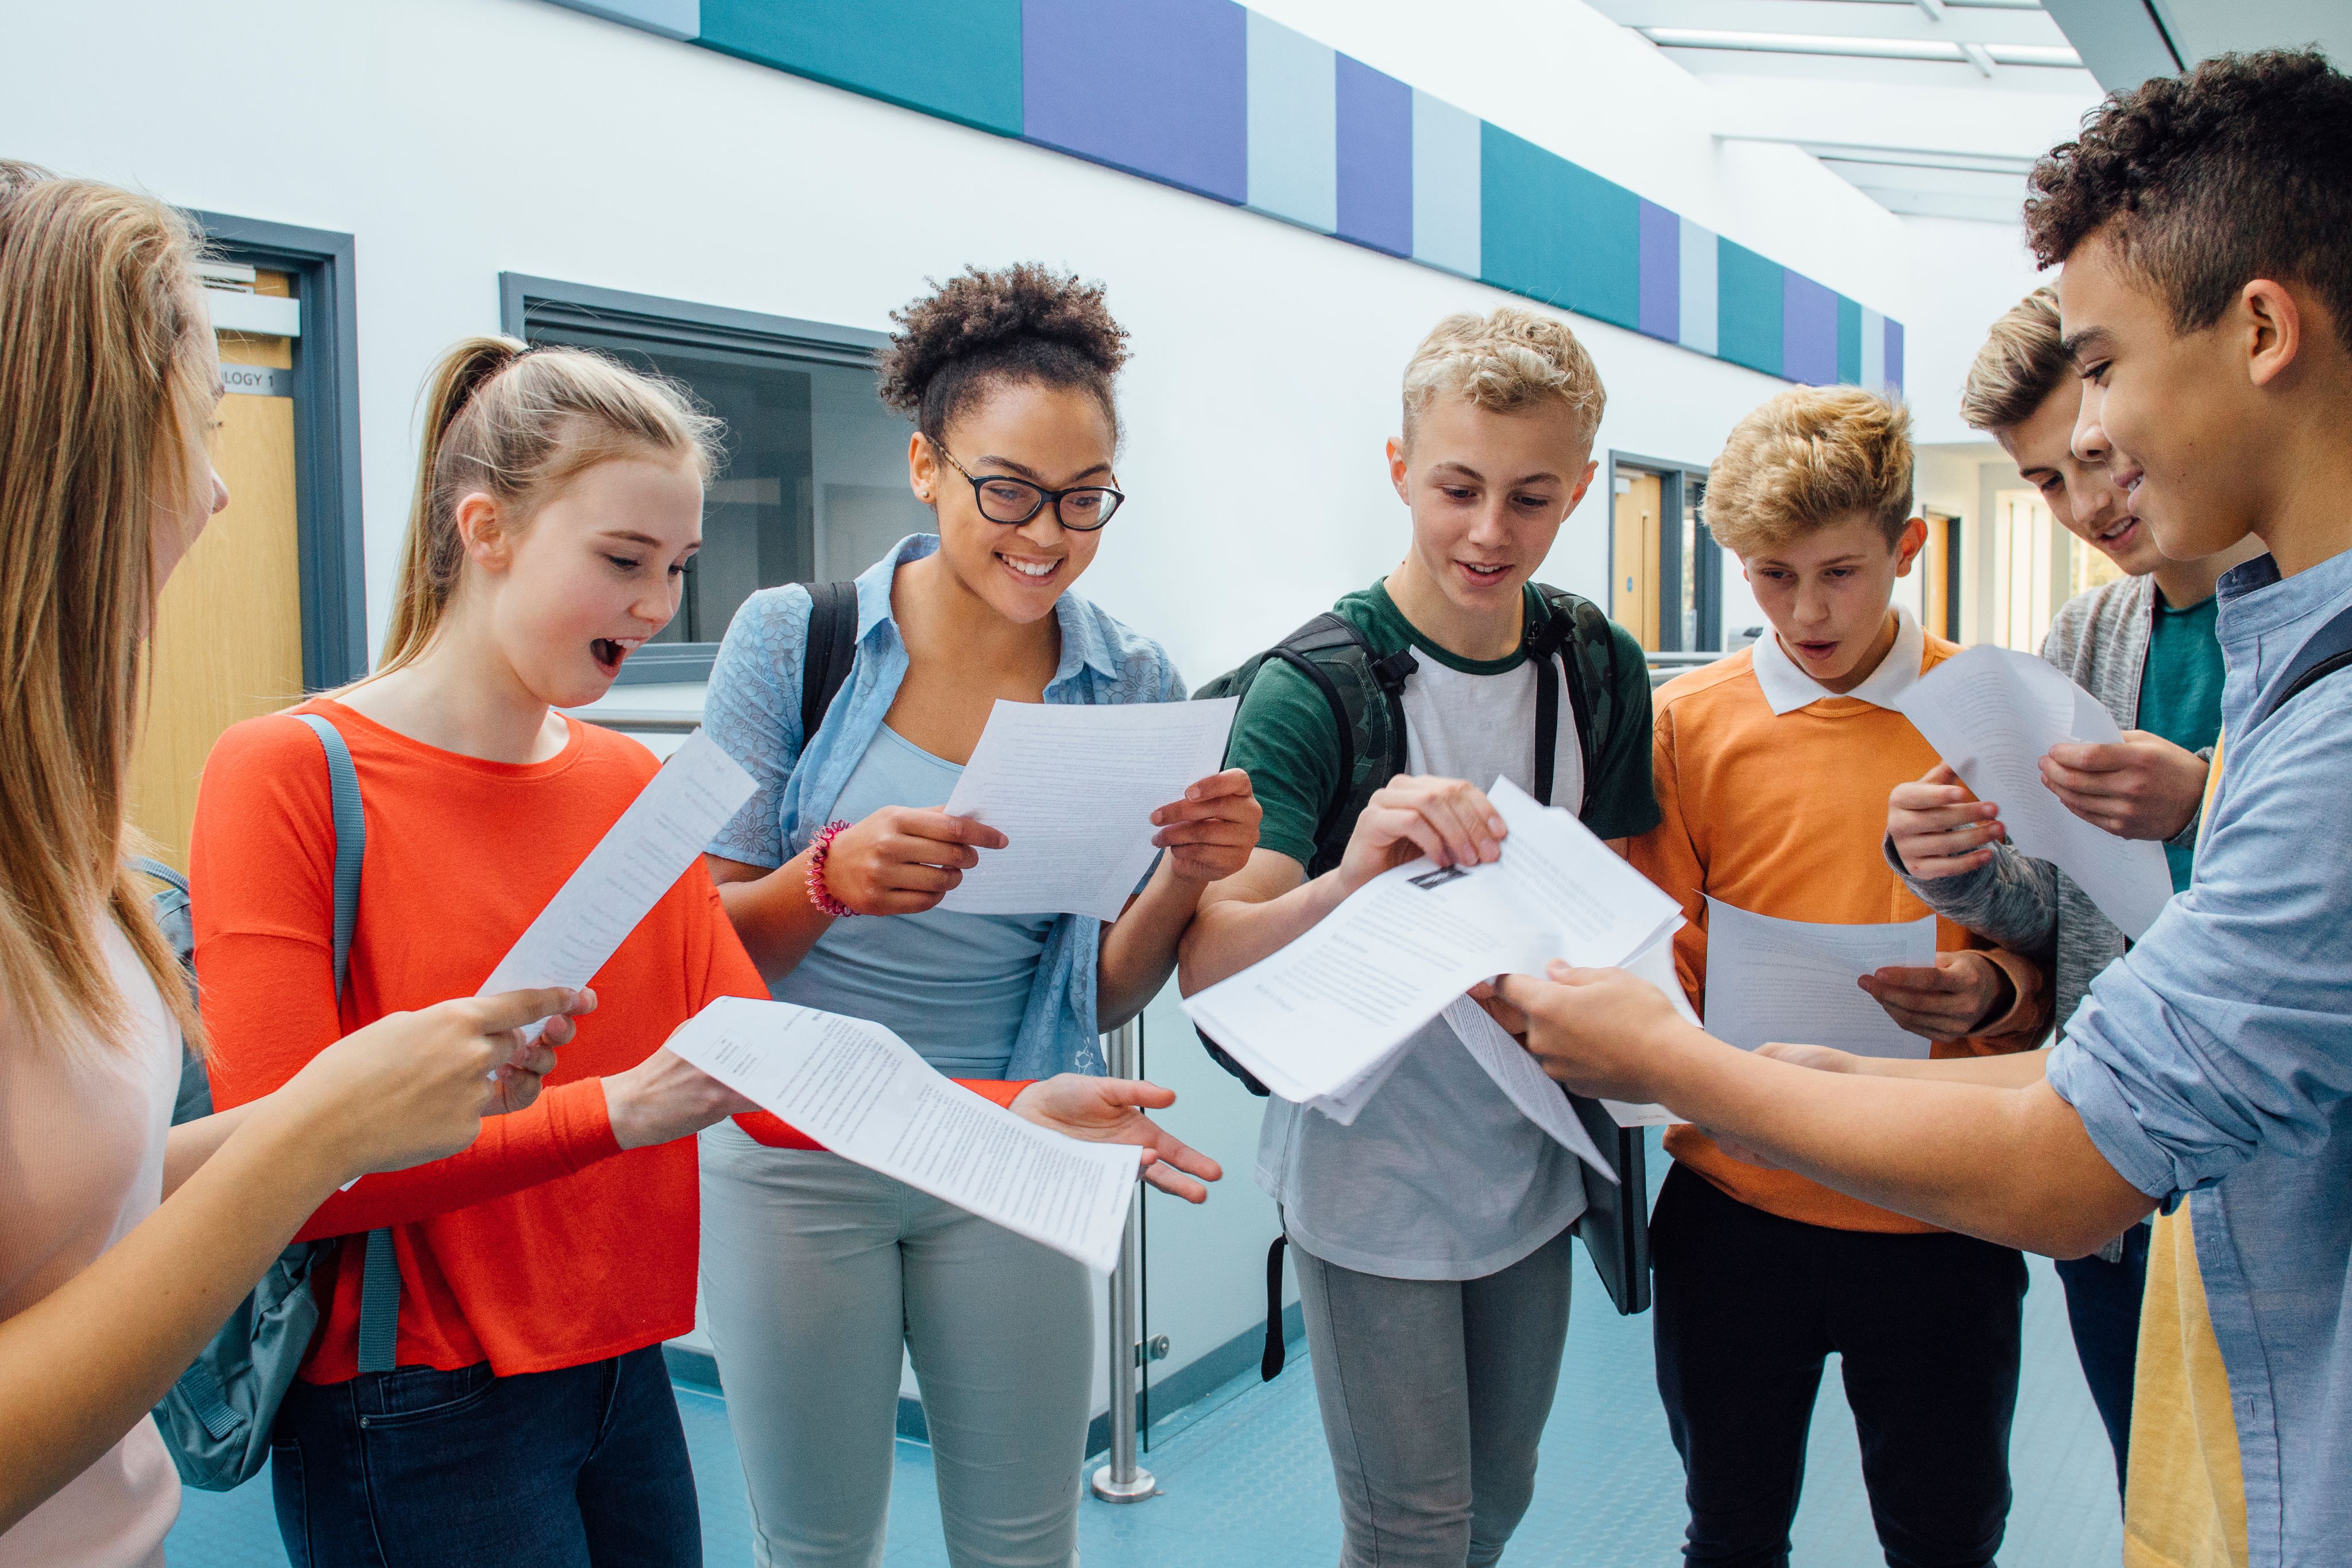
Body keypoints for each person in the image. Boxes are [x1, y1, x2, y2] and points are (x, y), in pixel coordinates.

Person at [1499, 49, 2352, 1568]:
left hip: (2014, 1252)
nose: (2094, 451)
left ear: (2264, 330)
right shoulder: (2281, 666)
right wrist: (1787, 1069)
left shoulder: (2303, 723)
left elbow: (2079, 1147)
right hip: (1766, 1206)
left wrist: (1707, 1058)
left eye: (2099, 364)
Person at [193, 328, 1214, 1568]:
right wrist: (620, 1108)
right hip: (411, 1387)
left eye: (676, 565)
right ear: (484, 529)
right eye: (624, 560)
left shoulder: (631, 782)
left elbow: (772, 1068)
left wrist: (1016, 1109)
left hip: (621, 1372)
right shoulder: (291, 772)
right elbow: (272, 1170)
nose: (657, 609)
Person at [0, 164, 587, 1567]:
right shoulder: (288, 764)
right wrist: (314, 1134)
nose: (213, 493)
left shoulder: (64, 848)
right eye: (192, 431)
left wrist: (344, 1106)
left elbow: (74, 1196)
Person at [697, 263, 1247, 1568]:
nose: (1044, 535)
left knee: (1020, 1542)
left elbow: (1100, 995)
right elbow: (700, 952)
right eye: (1005, 488)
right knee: (818, 1545)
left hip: (1015, 1139)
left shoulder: (1131, 677)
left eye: (1082, 498)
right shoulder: (794, 641)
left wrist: (1183, 872)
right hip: (796, 1155)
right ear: (926, 467)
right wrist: (823, 877)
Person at [1178, 307, 1659, 1568]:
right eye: (1455, 487)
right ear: (1398, 469)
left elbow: (1621, 896)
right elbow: (1213, 964)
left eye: (1531, 496)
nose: (1488, 532)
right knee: (1410, 1535)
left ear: (1580, 492)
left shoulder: (1594, 666)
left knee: (1491, 1508)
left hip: (1532, 1159)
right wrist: (1350, 877)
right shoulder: (1311, 690)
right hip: (1371, 1174)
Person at [1612, 385, 2051, 1568]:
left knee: (1945, 1535)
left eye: (1840, 572)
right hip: (1736, 1209)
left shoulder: (1998, 710)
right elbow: (1655, 963)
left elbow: (2074, 947)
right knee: (1731, 1529)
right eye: (1768, 575)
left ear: (1907, 548)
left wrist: (1996, 992)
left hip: (1942, 1203)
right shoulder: (1681, 726)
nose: (1804, 611)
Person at [1884, 285, 2261, 1491]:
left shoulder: (2308, 608)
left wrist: (2198, 799)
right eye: (2045, 482)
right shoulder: (2089, 635)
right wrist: (1952, 868)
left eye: (2096, 459)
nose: (2087, 506)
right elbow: (2059, 911)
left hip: (2273, 1164)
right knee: (2152, 1501)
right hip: (2119, 1168)